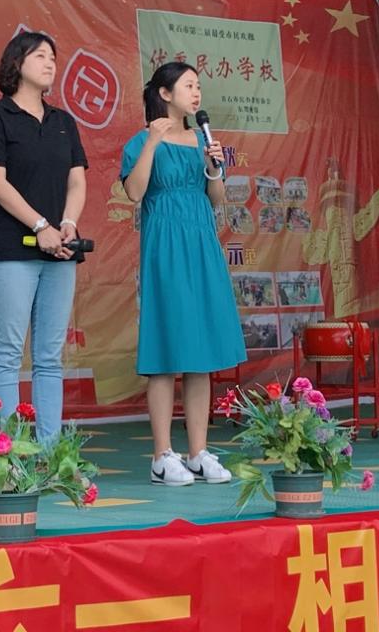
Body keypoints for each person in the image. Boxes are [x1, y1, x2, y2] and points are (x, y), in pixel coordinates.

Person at [121, 61, 247, 486]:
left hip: (201, 242)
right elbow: (135, 192)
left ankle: (198, 452)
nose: (196, 93)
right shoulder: (142, 140)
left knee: (201, 352)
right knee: (166, 350)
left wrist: (213, 166)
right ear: (165, 93)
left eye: (198, 87)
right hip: (166, 245)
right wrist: (153, 143)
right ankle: (161, 456)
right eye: (189, 85)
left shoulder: (202, 139)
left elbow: (215, 197)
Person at [0, 31, 87, 443]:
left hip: (61, 252)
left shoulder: (63, 122)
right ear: (17, 63)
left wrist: (68, 223)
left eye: (53, 56)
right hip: (12, 252)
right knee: (7, 354)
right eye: (40, 56)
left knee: (50, 358)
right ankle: (5, 452)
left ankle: (51, 451)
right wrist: (40, 227)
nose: (50, 63)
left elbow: (77, 180)